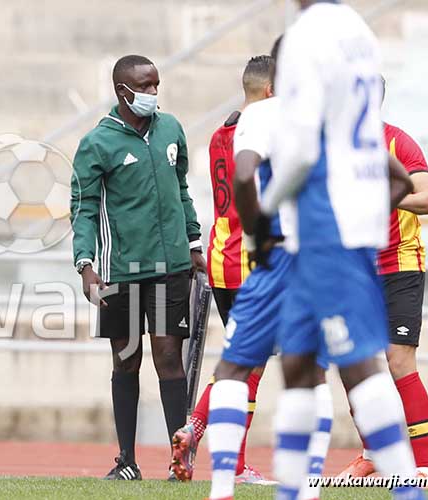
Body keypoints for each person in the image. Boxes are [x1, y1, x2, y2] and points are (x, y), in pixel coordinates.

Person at [257, 2, 424, 498]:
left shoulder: (307, 35)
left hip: (324, 223)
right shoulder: (357, 31)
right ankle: (295, 488)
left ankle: (408, 487)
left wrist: (265, 210)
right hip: (350, 225)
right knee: (301, 361)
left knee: (353, 365)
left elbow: (303, 149)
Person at [70, 54, 205, 480]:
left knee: (169, 356)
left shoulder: (171, 129)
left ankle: (179, 460)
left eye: (156, 85)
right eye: (145, 86)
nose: (153, 93)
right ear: (122, 91)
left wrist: (194, 241)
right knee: (127, 359)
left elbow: (181, 188)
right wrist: (85, 264)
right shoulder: (97, 143)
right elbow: (83, 207)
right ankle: (126, 461)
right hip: (120, 271)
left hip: (170, 267)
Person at [170, 55, 274, 485]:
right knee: (245, 360)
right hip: (251, 262)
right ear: (271, 92)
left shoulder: (220, 134)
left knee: (249, 361)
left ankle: (232, 460)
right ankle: (198, 430)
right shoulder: (264, 135)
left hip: (220, 259)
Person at [339, 79, 428, 488]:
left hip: (399, 264)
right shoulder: (335, 148)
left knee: (399, 361)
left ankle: (426, 468)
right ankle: (371, 456)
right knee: (355, 365)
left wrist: (386, 196)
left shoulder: (398, 143)